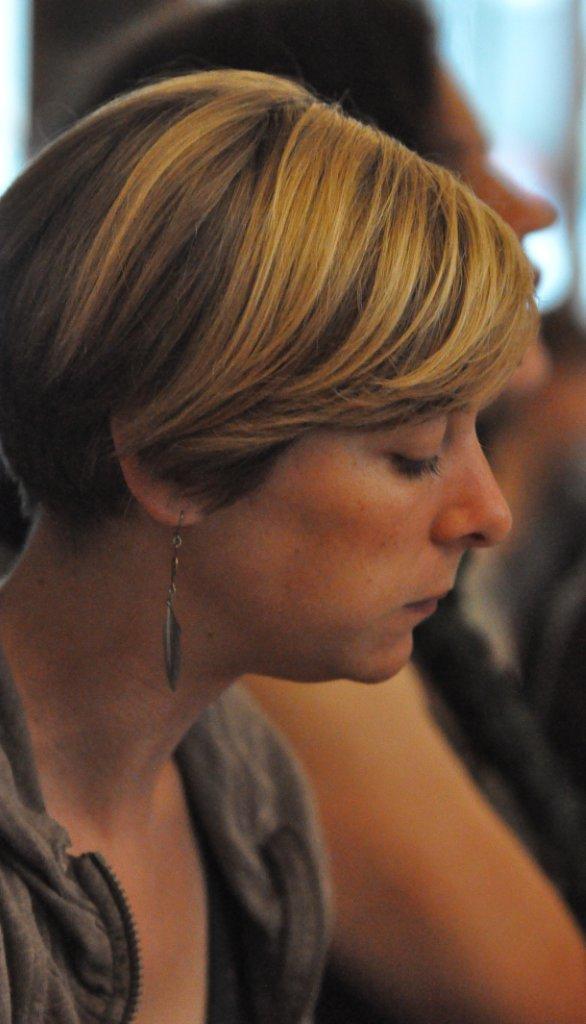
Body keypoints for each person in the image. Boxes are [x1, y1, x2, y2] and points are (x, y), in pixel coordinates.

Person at [74, 2, 586, 1022]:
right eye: (410, 454)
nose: (528, 205)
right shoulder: (265, 661)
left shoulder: (237, 766)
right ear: (178, 459)